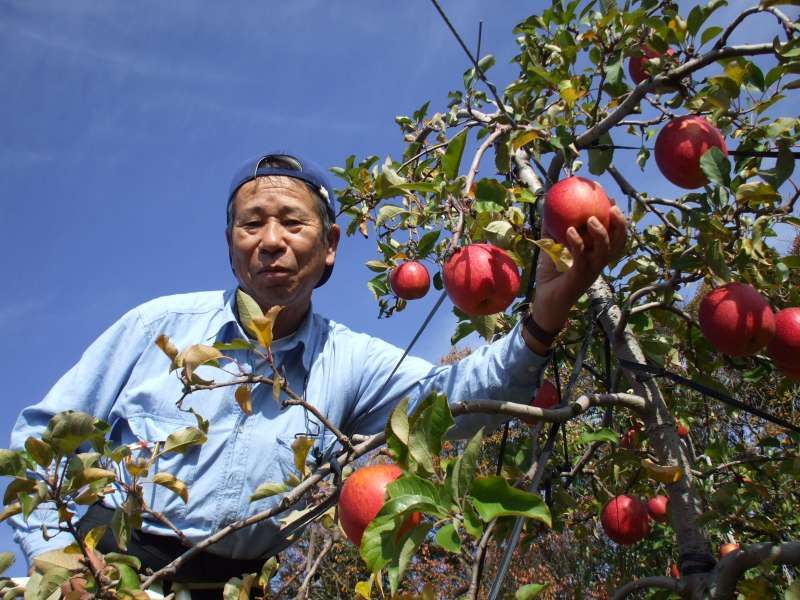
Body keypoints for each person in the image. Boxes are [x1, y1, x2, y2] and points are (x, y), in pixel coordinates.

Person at [9, 151, 626, 588]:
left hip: (235, 586)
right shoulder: (157, 327)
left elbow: (454, 400)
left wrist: (546, 311)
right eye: (251, 224)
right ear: (230, 246)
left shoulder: (348, 360)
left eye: (292, 221)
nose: (270, 239)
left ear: (329, 245)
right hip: (104, 568)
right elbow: (40, 440)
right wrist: (55, 555)